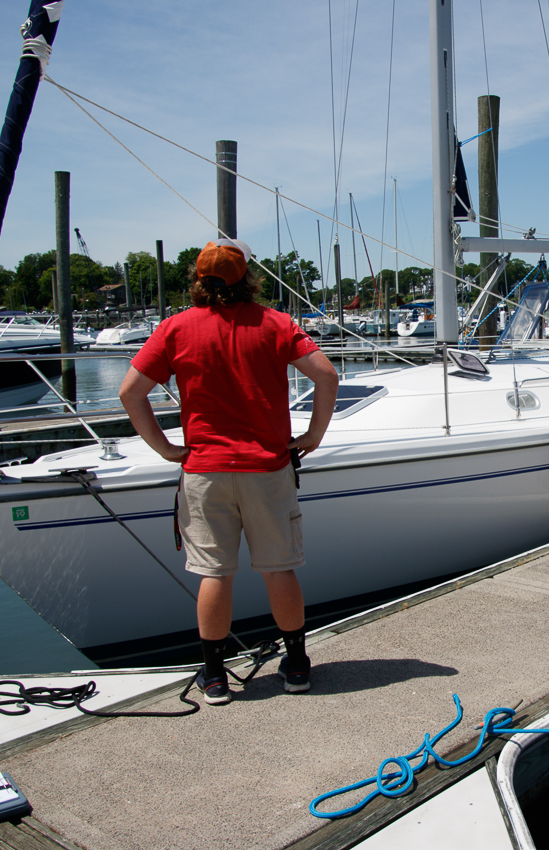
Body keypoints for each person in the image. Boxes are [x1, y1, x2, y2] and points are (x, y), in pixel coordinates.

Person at [119, 238, 338, 704]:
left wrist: (165, 449)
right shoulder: (275, 324)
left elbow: (130, 393)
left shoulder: (176, 329)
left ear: (199, 281)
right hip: (268, 468)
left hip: (205, 471)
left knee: (215, 574)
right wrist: (313, 437)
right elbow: (326, 375)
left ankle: (215, 677)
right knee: (279, 569)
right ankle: (297, 665)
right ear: (247, 280)